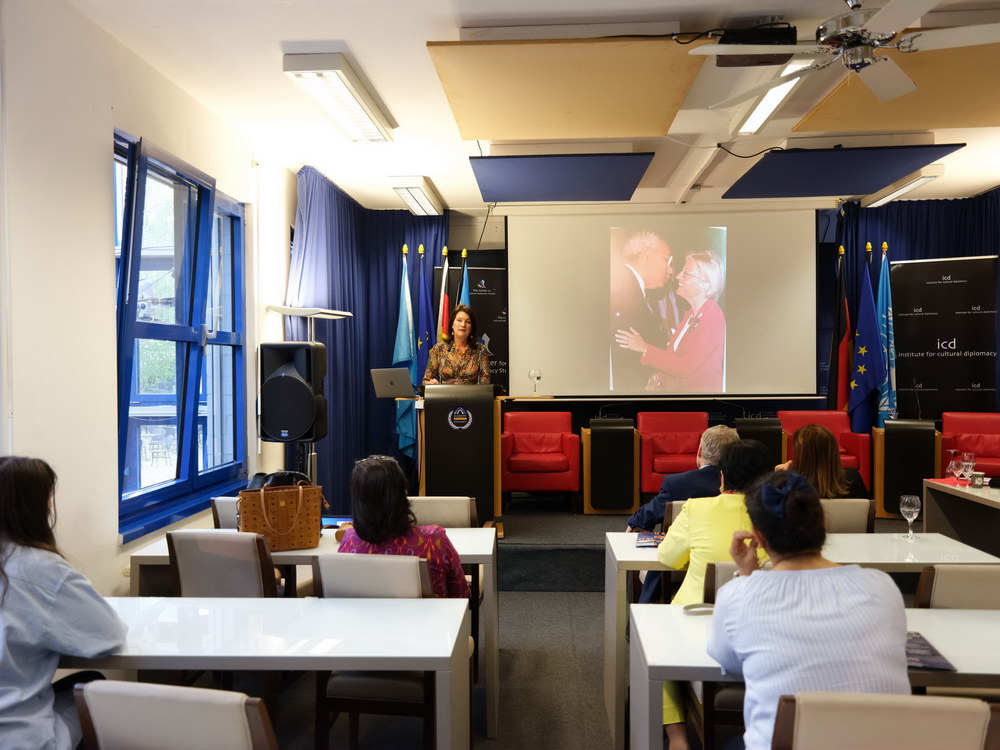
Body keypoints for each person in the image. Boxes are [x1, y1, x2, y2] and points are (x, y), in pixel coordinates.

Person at [708, 471, 909, 750]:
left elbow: (728, 661)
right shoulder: (882, 586)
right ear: (823, 521)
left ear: (758, 537)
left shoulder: (737, 596)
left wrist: (746, 576)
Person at [0, 456, 127, 749]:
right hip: (16, 736)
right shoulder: (40, 568)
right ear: (38, 506)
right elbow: (108, 637)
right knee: (94, 687)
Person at [655, 439, 773, 749]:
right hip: (763, 624)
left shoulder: (697, 508)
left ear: (722, 477)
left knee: (656, 639)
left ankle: (677, 738)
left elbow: (668, 558)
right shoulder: (779, 516)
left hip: (695, 617)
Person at [625, 425, 740, 603]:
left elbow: (648, 515)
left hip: (676, 567)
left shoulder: (676, 483)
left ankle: (635, 615)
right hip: (736, 574)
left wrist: (634, 522)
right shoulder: (746, 489)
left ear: (700, 451)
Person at [338, 455, 470, 598]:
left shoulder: (349, 542)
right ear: (403, 493)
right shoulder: (433, 540)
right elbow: (460, 594)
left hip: (367, 613)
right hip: (431, 613)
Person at [616, 250, 725, 393]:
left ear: (704, 284)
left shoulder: (712, 317)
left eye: (686, 273)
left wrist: (645, 348)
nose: (678, 276)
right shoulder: (690, 315)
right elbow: (673, 358)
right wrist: (660, 377)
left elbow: (685, 367)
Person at [609, 231, 677, 393]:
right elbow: (620, 346)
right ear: (646, 256)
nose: (670, 270)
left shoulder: (629, 287)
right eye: (666, 259)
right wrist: (642, 385)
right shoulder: (623, 289)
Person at [776, 423, 869, 497]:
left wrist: (778, 477)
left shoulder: (790, 485)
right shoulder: (853, 478)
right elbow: (866, 510)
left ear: (800, 457)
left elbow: (771, 512)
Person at [422, 304, 490, 385]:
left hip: (471, 393)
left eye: (468, 322)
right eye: (459, 320)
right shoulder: (439, 349)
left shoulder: (481, 350)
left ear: (472, 328)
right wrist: (431, 383)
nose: (463, 325)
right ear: (452, 324)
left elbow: (485, 384)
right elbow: (425, 381)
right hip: (445, 393)